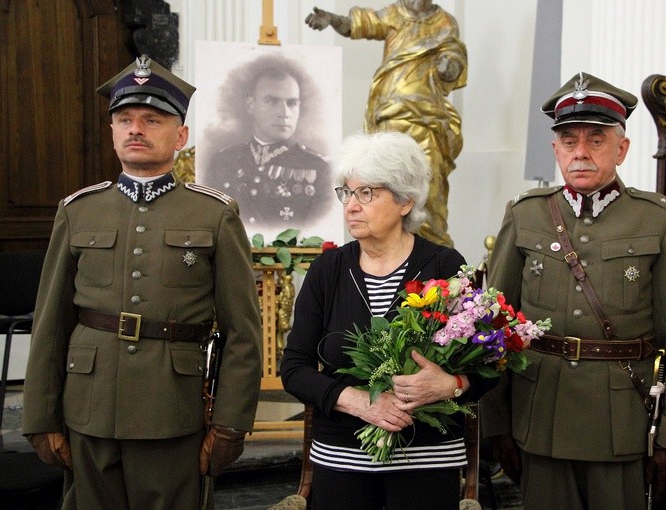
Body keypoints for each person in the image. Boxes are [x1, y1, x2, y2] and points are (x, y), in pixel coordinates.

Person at [21, 55, 263, 509]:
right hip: (88, 407)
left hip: (173, 410)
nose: (136, 129)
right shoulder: (78, 211)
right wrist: (40, 414)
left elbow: (243, 333)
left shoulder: (214, 214)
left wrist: (231, 423)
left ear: (181, 136)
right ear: (112, 132)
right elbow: (50, 322)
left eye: (152, 119)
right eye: (125, 119)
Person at [479, 72, 666, 510]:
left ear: (621, 149)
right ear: (555, 149)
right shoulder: (525, 215)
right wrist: (496, 423)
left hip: (620, 424)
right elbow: (494, 328)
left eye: (596, 139)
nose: (580, 152)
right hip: (539, 415)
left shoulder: (659, 222)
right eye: (568, 140)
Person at [279, 131, 494, 510]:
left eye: (367, 193)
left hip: (428, 460)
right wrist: (360, 402)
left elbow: (488, 367)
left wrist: (450, 384)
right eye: (347, 192)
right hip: (341, 461)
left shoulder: (444, 266)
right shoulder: (327, 270)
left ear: (405, 201)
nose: (351, 206)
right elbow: (294, 369)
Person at [305, 1, 467, 248]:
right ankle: (384, 245)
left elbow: (455, 59)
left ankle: (431, 251)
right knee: (380, 185)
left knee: (430, 182)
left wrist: (449, 66)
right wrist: (333, 19)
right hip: (390, 113)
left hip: (428, 120)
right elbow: (361, 24)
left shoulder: (445, 22)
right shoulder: (395, 13)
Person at [204, 53, 332, 232]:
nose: (284, 113)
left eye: (292, 103)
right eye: (272, 101)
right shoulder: (222, 162)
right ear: (250, 105)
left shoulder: (320, 168)